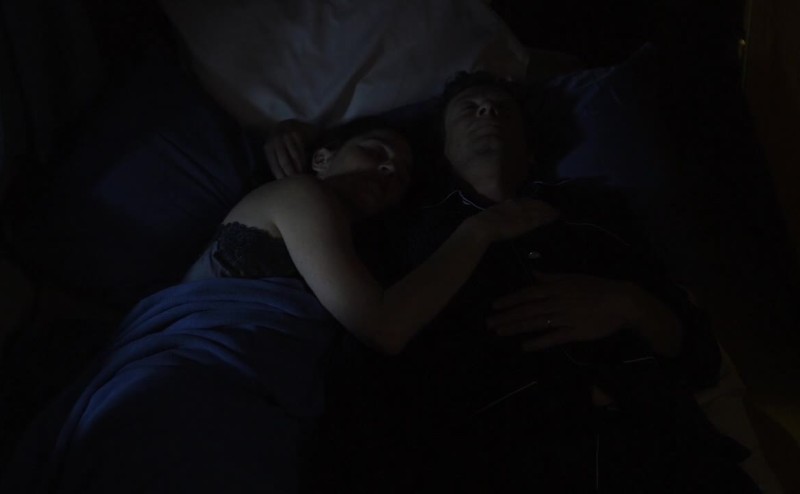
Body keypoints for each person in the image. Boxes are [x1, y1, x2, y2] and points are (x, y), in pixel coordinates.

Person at [0, 118, 557, 494]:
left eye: (402, 173)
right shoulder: (301, 195)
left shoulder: (363, 255)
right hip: (194, 378)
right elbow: (385, 325)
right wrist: (478, 231)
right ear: (321, 159)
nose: (390, 170)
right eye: (375, 151)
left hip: (266, 411)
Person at [301, 74, 761, 493]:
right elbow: (367, 365)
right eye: (469, 108)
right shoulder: (405, 233)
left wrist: (630, 303)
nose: (487, 111)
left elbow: (701, 357)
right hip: (506, 458)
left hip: (664, 448)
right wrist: (293, 141)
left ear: (531, 146)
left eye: (503, 108)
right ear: (442, 150)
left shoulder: (599, 212)